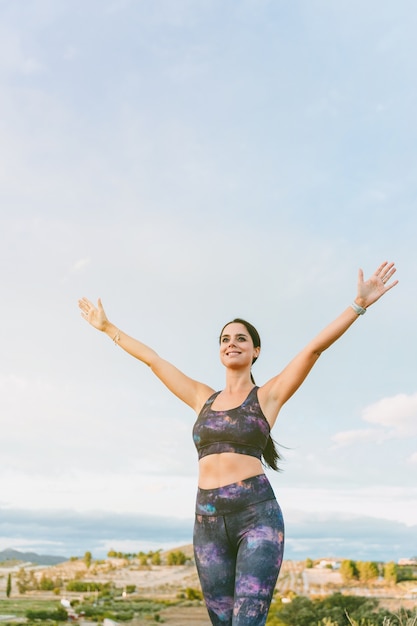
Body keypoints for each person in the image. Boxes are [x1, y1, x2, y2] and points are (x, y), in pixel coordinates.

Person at [78, 261, 398, 626]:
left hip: (257, 518)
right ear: (219, 351)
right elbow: (154, 360)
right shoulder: (202, 397)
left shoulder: (268, 396)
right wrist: (107, 328)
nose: (232, 343)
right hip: (207, 523)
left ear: (256, 351)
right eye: (225, 339)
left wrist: (358, 305)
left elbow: (312, 350)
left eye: (241, 338)